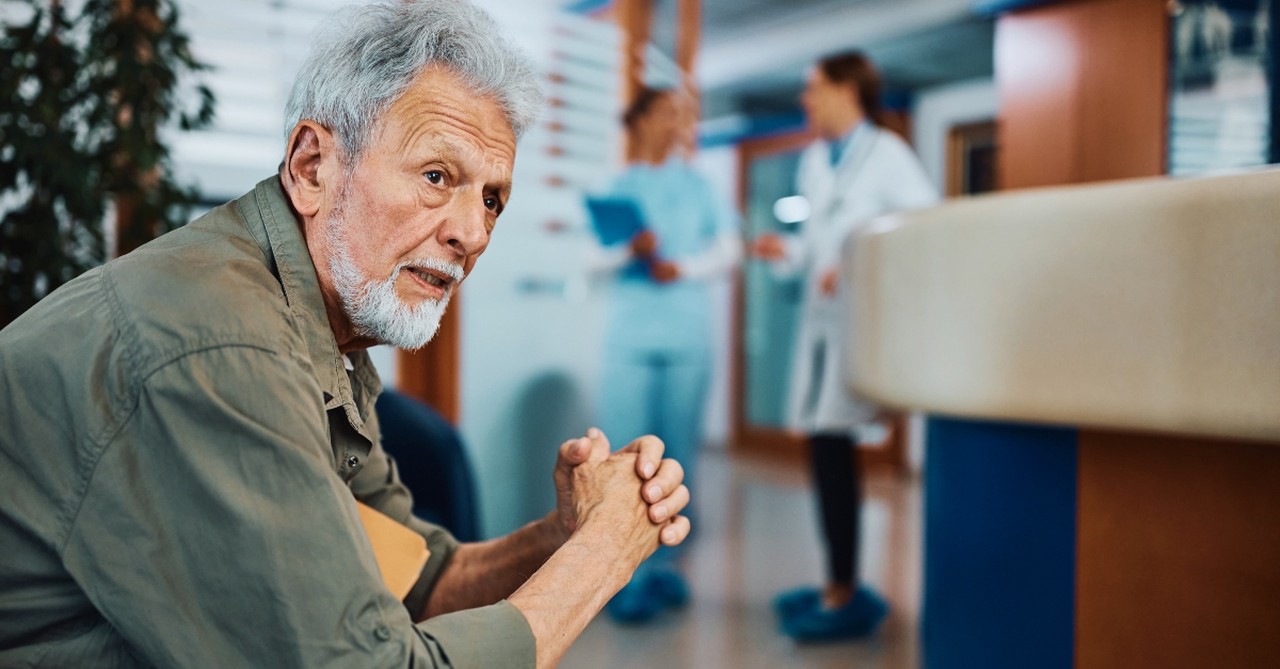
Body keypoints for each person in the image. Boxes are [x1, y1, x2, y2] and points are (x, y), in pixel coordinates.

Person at [0, 2, 691, 668]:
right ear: (312, 166)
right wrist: (605, 551)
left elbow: (418, 581)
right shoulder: (223, 347)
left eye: (490, 197)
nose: (472, 232)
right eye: (436, 175)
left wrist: (563, 533)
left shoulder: (322, 325)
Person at [748, 51, 937, 642]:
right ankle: (841, 582)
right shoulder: (814, 160)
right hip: (822, 327)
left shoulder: (888, 155)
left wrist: (855, 260)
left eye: (814, 88)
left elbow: (920, 230)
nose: (806, 100)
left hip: (862, 326)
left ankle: (844, 586)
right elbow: (817, 244)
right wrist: (792, 253)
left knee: (834, 452)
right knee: (826, 454)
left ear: (848, 90)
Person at [588, 86, 740, 623]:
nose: (677, 124)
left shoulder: (699, 186)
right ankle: (626, 577)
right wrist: (632, 249)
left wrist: (685, 268)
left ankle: (666, 572)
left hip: (687, 339)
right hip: (629, 340)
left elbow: (729, 250)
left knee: (678, 461)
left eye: (682, 116)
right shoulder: (617, 189)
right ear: (643, 120)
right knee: (628, 461)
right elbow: (590, 261)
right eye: (668, 113)